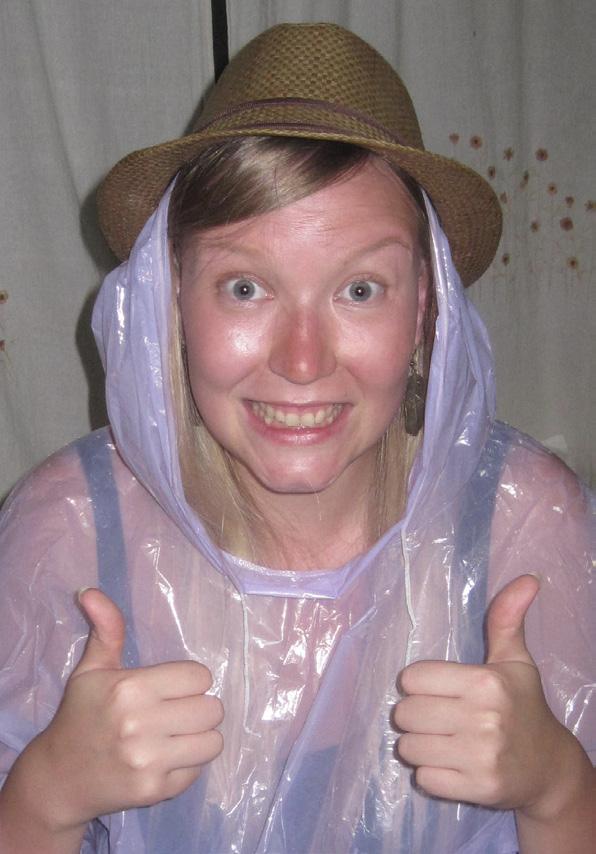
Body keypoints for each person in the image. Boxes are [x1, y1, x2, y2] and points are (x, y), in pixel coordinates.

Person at [0, 22, 594, 854]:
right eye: (246, 287)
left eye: (360, 289)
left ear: (425, 309)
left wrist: (560, 788)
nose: (303, 361)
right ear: (172, 297)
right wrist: (44, 797)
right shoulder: (67, 531)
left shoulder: (525, 526)